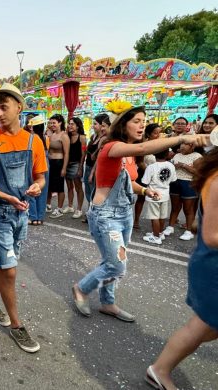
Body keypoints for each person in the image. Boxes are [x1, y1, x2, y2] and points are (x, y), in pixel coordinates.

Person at [71, 105, 209, 322]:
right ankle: (81, 288)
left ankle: (108, 303)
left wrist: (145, 190)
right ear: (123, 124)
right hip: (106, 215)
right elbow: (145, 148)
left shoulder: (128, 152)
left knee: (112, 261)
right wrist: (183, 138)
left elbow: (129, 180)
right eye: (136, 120)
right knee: (117, 264)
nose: (142, 124)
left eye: (143, 120)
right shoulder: (112, 147)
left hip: (125, 214)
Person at [0, 83, 47, 353]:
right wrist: (5, 197)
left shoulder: (33, 141)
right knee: (10, 270)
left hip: (20, 213)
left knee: (4, 265)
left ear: (19, 107)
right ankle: (16, 325)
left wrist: (37, 185)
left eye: (4, 107)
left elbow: (40, 175)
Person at [146, 146, 217, 390]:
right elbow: (211, 235)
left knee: (208, 327)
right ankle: (160, 370)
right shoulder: (217, 179)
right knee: (201, 326)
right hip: (213, 265)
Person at [164, 142, 202, 241]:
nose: (182, 146)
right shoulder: (177, 155)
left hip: (189, 184)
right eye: (182, 144)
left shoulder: (197, 156)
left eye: (186, 144)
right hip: (175, 182)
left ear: (192, 146)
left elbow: (198, 172)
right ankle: (170, 227)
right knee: (175, 207)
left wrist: (184, 165)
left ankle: (189, 231)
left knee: (188, 209)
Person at [141, 149, 177, 245]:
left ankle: (156, 237)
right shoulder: (171, 166)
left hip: (153, 194)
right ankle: (159, 233)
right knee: (161, 216)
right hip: (165, 194)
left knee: (154, 217)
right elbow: (173, 180)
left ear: (154, 154)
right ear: (167, 155)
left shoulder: (151, 167)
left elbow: (145, 181)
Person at [133, 123, 162, 229]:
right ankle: (136, 220)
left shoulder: (160, 144)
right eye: (155, 133)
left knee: (157, 198)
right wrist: (150, 173)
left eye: (159, 133)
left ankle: (156, 224)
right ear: (149, 134)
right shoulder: (144, 145)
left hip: (158, 176)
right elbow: (140, 162)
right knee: (141, 198)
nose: (158, 135)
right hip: (144, 174)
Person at [46, 114, 69, 218]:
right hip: (50, 163)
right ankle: (48, 205)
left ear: (60, 123)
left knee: (59, 187)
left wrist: (64, 168)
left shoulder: (64, 136)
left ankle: (59, 209)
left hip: (59, 163)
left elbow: (67, 153)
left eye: (54, 123)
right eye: (51, 123)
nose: (52, 125)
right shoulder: (51, 134)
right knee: (49, 186)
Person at [28, 116, 50, 225]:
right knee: (43, 190)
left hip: (34, 165)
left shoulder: (31, 138)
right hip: (45, 164)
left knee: (32, 189)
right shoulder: (46, 138)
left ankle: (33, 216)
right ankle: (40, 217)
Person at [65, 117, 86, 219]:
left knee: (78, 188)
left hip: (76, 164)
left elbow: (83, 154)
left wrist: (80, 168)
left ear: (78, 126)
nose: (70, 126)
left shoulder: (82, 137)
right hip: (67, 164)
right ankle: (70, 206)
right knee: (69, 187)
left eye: (72, 124)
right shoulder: (67, 136)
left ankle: (79, 209)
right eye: (69, 124)